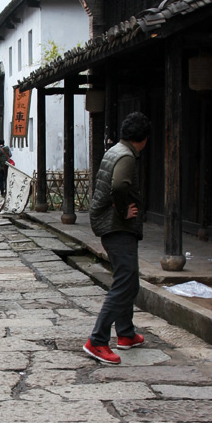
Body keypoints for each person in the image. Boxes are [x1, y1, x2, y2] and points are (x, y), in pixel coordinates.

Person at [83, 112, 151, 365]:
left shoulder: (114, 150)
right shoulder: (126, 156)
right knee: (124, 282)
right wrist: (124, 211)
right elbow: (120, 186)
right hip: (117, 226)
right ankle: (97, 340)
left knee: (129, 280)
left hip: (110, 224)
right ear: (144, 138)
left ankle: (126, 333)